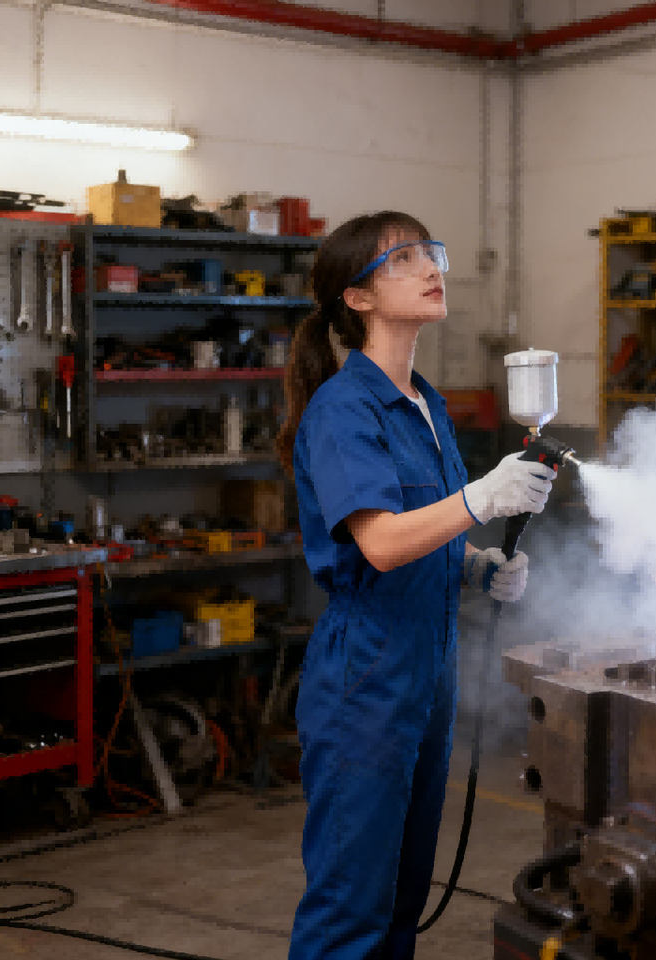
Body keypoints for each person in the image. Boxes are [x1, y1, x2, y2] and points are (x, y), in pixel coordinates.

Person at [276, 211, 556, 960]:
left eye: (431, 252)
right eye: (402, 259)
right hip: (365, 674)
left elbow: (420, 531)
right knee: (352, 904)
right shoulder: (345, 408)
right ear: (357, 297)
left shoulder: (425, 403)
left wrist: (474, 564)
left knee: (404, 893)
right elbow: (379, 541)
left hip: (428, 666)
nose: (431, 268)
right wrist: (481, 499)